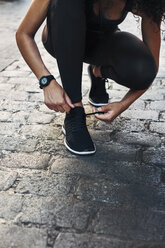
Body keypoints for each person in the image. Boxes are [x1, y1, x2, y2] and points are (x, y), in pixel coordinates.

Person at [16, 0, 164, 155]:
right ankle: (74, 112)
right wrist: (46, 81)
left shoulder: (145, 3)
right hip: (61, 39)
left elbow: (151, 68)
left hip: (101, 45)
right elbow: (23, 34)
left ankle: (98, 72)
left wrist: (123, 104)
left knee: (143, 69)